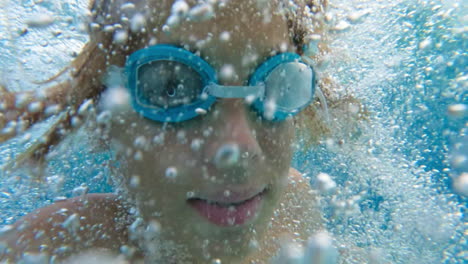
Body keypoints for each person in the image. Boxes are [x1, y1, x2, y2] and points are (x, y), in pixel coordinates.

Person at [0, 0, 357, 262]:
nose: (239, 146)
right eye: (172, 87)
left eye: (277, 83)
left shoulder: (294, 205)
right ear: (108, 115)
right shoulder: (49, 248)